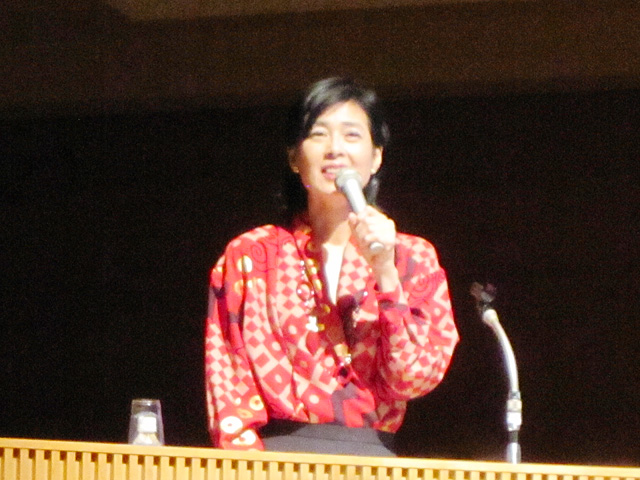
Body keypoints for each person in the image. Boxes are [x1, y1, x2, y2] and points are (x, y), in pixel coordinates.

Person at [204, 77, 459, 456]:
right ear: (294, 157)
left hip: (372, 461)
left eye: (351, 135)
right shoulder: (251, 256)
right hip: (276, 460)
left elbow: (412, 376)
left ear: (376, 157)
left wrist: (386, 273)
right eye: (319, 134)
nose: (335, 149)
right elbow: (228, 384)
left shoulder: (412, 257)